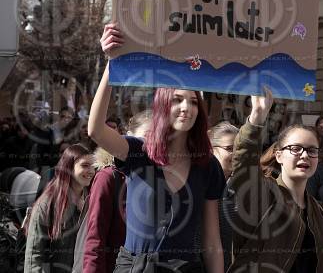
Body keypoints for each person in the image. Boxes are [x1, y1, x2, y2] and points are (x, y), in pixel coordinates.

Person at [88, 23, 225, 272]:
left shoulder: (208, 165)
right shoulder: (138, 152)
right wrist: (112, 65)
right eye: (177, 99)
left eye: (193, 102)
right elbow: (95, 130)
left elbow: (212, 240)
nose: (186, 107)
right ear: (162, 104)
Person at [229, 88, 323, 272]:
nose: (304, 155)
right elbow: (244, 166)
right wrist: (257, 117)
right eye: (295, 148)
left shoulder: (322, 213)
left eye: (311, 150)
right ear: (278, 156)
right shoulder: (263, 194)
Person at [80, 110, 151, 273]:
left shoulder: (163, 178)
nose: (147, 145)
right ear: (128, 136)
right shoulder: (108, 177)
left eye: (155, 138)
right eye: (144, 137)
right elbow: (95, 238)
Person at [24, 144, 95, 272]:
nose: (91, 171)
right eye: (85, 165)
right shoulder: (47, 204)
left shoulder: (93, 200)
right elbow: (34, 255)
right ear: (68, 168)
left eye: (93, 166)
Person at [208, 121, 240, 270]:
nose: (236, 154)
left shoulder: (244, 187)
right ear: (212, 150)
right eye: (229, 148)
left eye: (239, 149)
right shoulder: (201, 186)